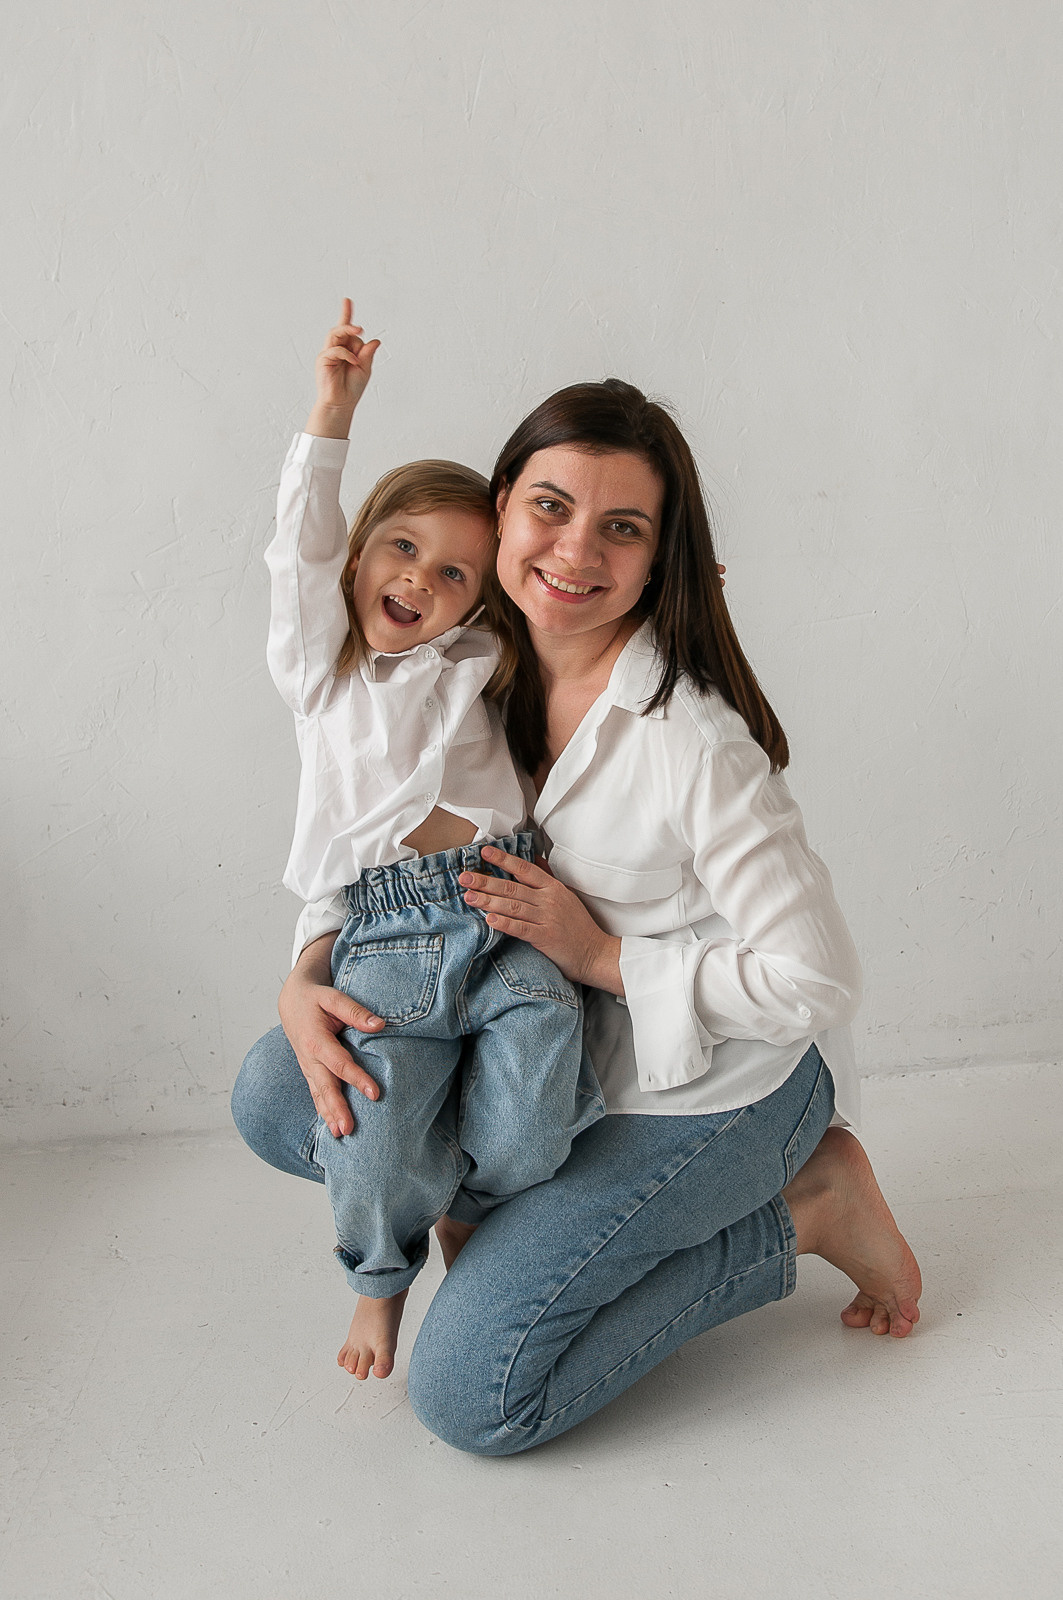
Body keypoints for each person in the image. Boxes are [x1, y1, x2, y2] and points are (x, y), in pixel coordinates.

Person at [233, 364, 922, 1455]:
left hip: (712, 1088)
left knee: (474, 1399)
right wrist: (308, 969)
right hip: (537, 1045)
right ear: (501, 504)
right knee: (279, 1086)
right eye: (550, 507)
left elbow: (816, 980)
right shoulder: (470, 662)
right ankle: (488, 1191)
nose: (574, 550)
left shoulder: (689, 740)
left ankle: (812, 1203)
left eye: (623, 528)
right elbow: (366, 819)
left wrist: (604, 956)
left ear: (658, 560)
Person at [256, 302, 602, 1383]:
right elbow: (296, 556)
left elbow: (573, 606)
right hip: (393, 933)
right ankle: (380, 1278)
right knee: (368, 1126)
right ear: (361, 556)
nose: (421, 581)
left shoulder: (480, 660)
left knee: (542, 1086)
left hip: (509, 903)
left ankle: (469, 1209)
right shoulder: (327, 673)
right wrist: (330, 418)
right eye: (402, 550)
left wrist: (676, 609)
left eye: (454, 572)